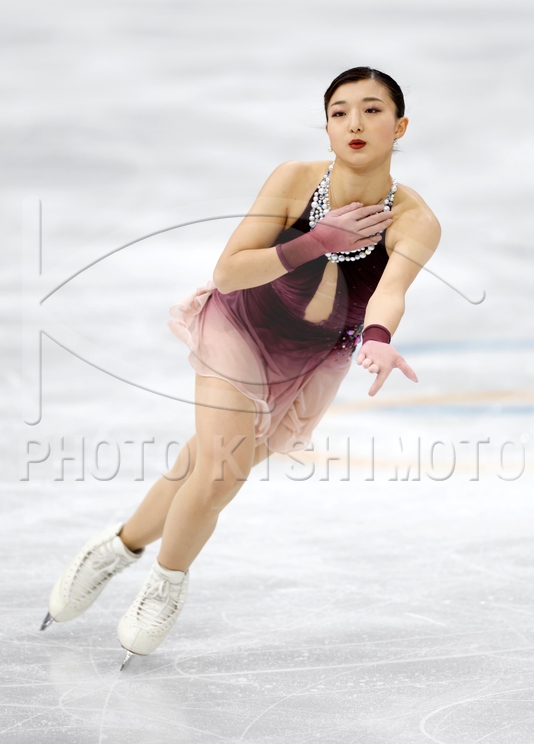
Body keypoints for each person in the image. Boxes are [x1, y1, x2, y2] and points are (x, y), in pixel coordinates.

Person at [40, 66, 441, 670]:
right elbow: (229, 271)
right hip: (241, 330)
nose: (354, 123)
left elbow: (390, 291)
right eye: (339, 112)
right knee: (222, 470)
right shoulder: (294, 180)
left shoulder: (415, 220)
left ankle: (117, 547)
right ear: (327, 127)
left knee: (201, 464)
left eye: (372, 109)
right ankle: (166, 582)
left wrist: (380, 337)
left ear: (400, 125)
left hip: (311, 358)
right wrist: (316, 240)